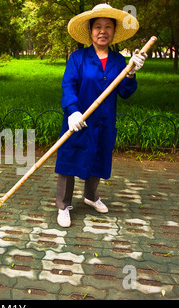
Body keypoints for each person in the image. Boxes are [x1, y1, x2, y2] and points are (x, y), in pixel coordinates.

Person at [55, 4, 147, 228]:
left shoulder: (118, 61)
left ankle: (91, 196)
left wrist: (131, 73)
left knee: (97, 157)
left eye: (108, 27)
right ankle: (63, 205)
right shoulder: (78, 58)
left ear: (114, 32)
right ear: (90, 31)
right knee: (69, 160)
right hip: (79, 119)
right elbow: (68, 86)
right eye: (98, 27)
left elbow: (124, 92)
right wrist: (72, 111)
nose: (102, 31)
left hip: (104, 121)